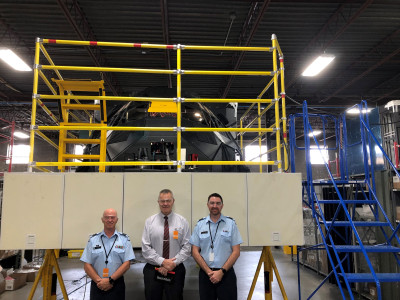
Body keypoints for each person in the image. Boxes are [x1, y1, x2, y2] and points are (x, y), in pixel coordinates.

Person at [190, 193, 243, 300]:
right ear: (207, 205)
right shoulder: (200, 224)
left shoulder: (231, 224)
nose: (215, 206)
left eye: (218, 203)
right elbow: (194, 251)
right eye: (212, 203)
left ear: (222, 206)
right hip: (206, 275)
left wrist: (221, 272)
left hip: (226, 274)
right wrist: (209, 272)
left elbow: (236, 251)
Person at [142, 189, 191, 300]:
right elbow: (146, 248)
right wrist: (163, 262)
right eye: (162, 201)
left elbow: (187, 246)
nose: (165, 204)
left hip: (176, 269)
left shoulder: (182, 221)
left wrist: (173, 263)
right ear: (158, 202)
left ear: (173, 201)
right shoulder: (149, 222)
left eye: (168, 201)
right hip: (153, 269)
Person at [81, 208, 135, 300]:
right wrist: (100, 282)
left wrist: (110, 280)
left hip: (116, 284)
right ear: (102, 220)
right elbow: (87, 264)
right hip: (97, 284)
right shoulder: (93, 240)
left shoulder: (124, 239)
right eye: (107, 217)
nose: (110, 220)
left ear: (116, 220)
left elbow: (126, 264)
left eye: (112, 217)